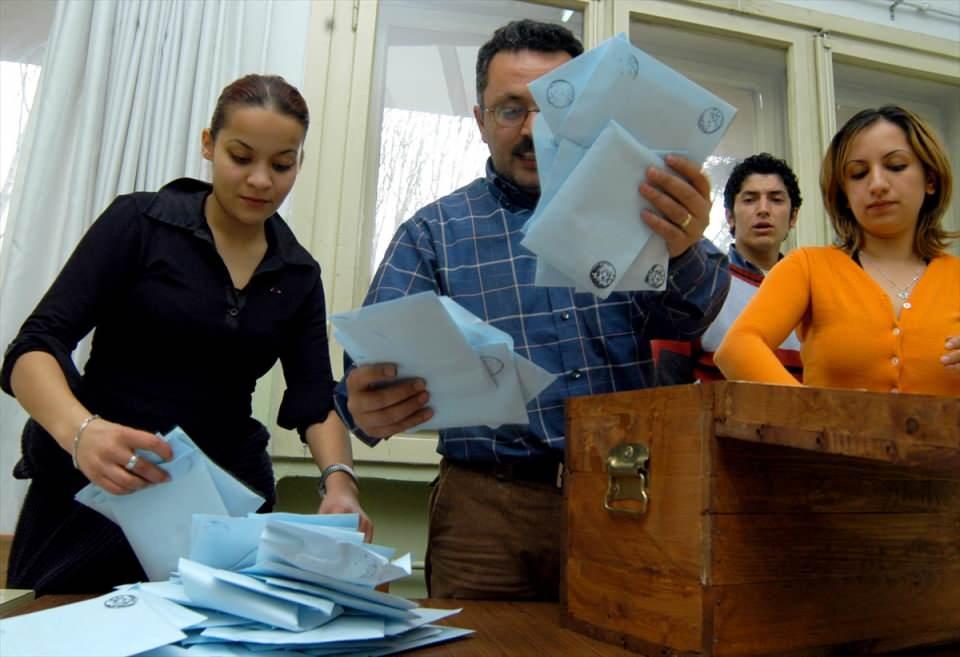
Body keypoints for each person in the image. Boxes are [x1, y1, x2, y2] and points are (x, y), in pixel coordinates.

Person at [334, 20, 729, 600]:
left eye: (553, 107)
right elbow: (368, 371)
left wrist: (684, 246)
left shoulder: (646, 203)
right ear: (479, 121)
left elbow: (697, 314)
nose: (533, 130)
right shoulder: (434, 232)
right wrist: (368, 404)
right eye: (510, 110)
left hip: (626, 495)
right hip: (485, 516)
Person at [1, 74, 371, 594]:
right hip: (100, 486)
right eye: (241, 157)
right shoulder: (139, 223)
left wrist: (340, 485)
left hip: (221, 507)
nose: (262, 180)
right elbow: (34, 346)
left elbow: (314, 397)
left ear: (299, 163)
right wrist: (80, 432)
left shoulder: (297, 274)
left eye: (282, 164)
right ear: (207, 144)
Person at [716, 105, 960, 395]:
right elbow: (737, 348)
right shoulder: (808, 267)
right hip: (830, 441)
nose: (877, 184)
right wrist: (813, 416)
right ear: (843, 193)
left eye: (896, 166)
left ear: (930, 179)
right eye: (858, 174)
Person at [654, 153, 803, 384]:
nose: (763, 209)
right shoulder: (701, 286)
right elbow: (667, 385)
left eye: (776, 199)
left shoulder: (810, 293)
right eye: (750, 199)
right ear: (730, 217)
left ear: (793, 217)